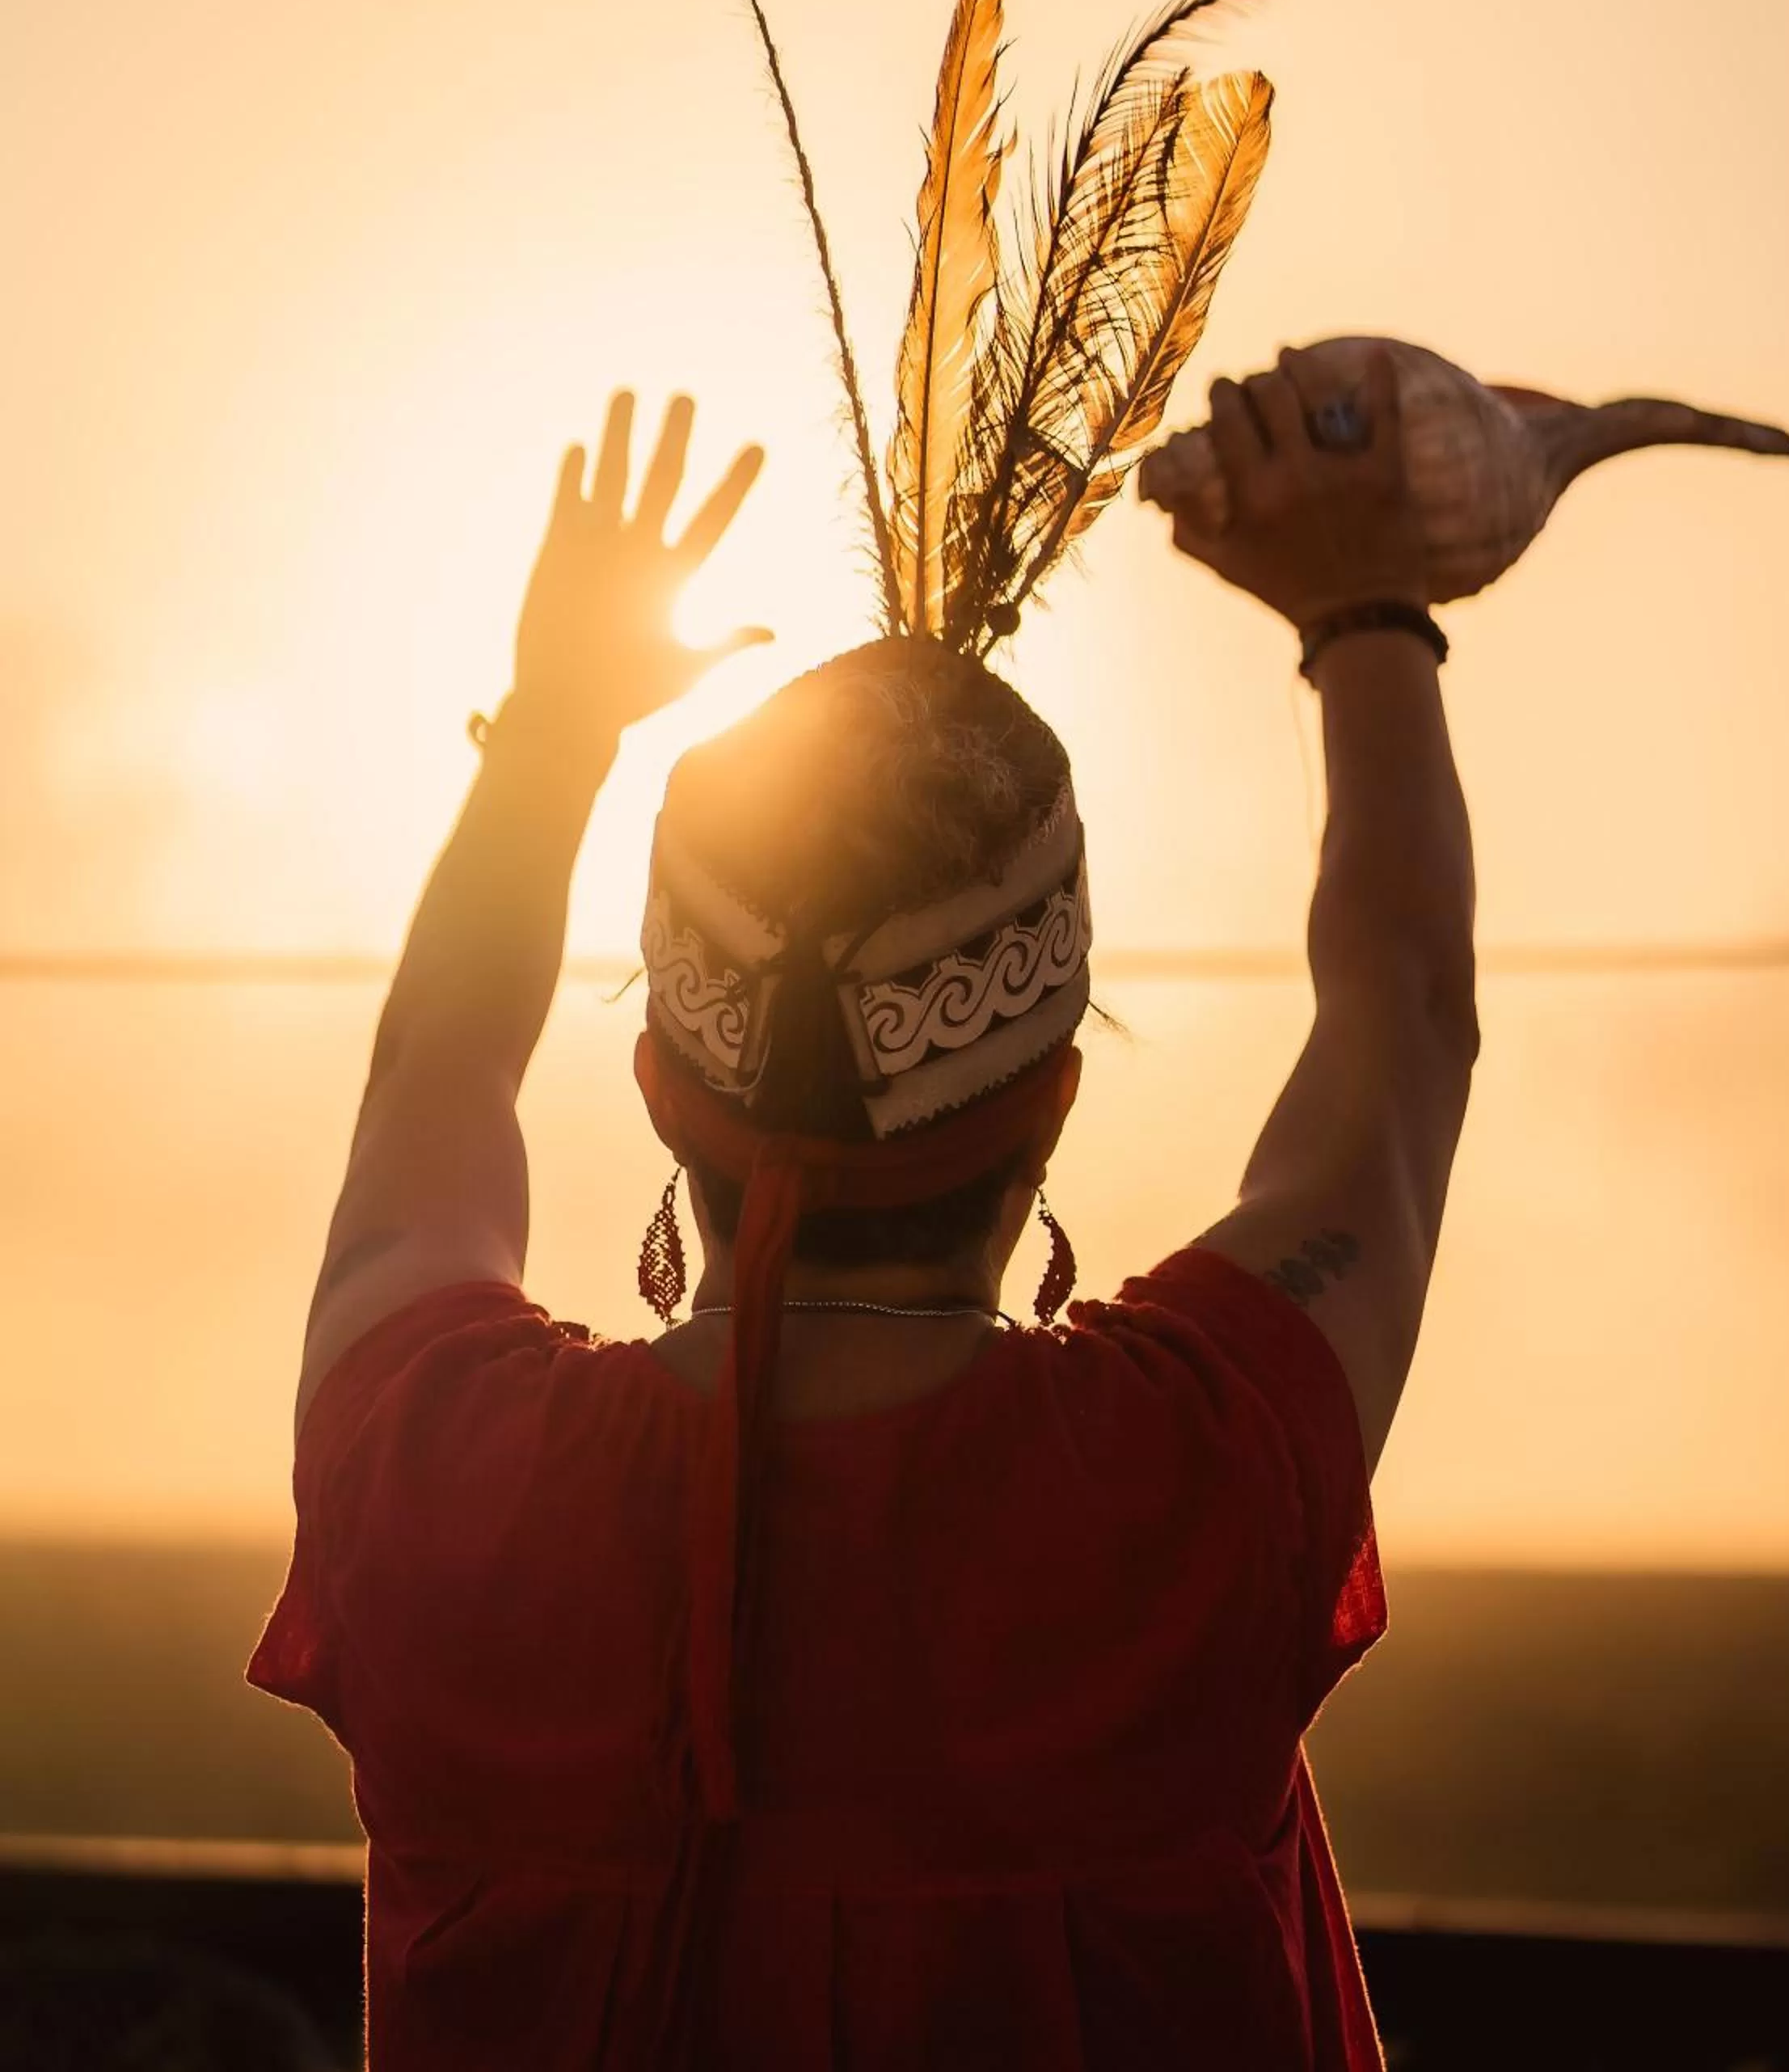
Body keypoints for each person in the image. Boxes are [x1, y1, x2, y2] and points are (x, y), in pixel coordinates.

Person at [247, 336, 1477, 2068]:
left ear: (659, 1079)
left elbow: (430, 1067)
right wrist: (1368, 610)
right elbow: (1408, 1020)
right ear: (1053, 1097)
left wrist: (553, 728)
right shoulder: (1187, 1489)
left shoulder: (438, 1480)